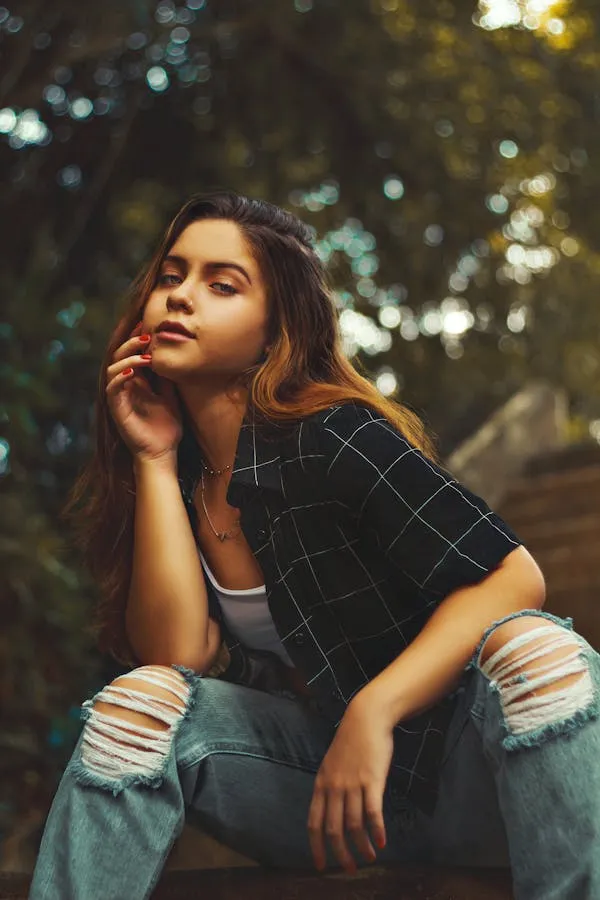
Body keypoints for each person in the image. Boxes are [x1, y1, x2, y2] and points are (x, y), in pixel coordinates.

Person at [29, 190, 599, 900]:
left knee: (536, 650)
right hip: (325, 796)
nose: (180, 297)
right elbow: (177, 658)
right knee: (137, 707)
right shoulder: (170, 480)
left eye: (221, 284)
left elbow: (514, 576)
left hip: (462, 776)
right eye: (171, 276)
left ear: (274, 329)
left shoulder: (334, 436)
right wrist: (150, 457)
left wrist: (375, 709)